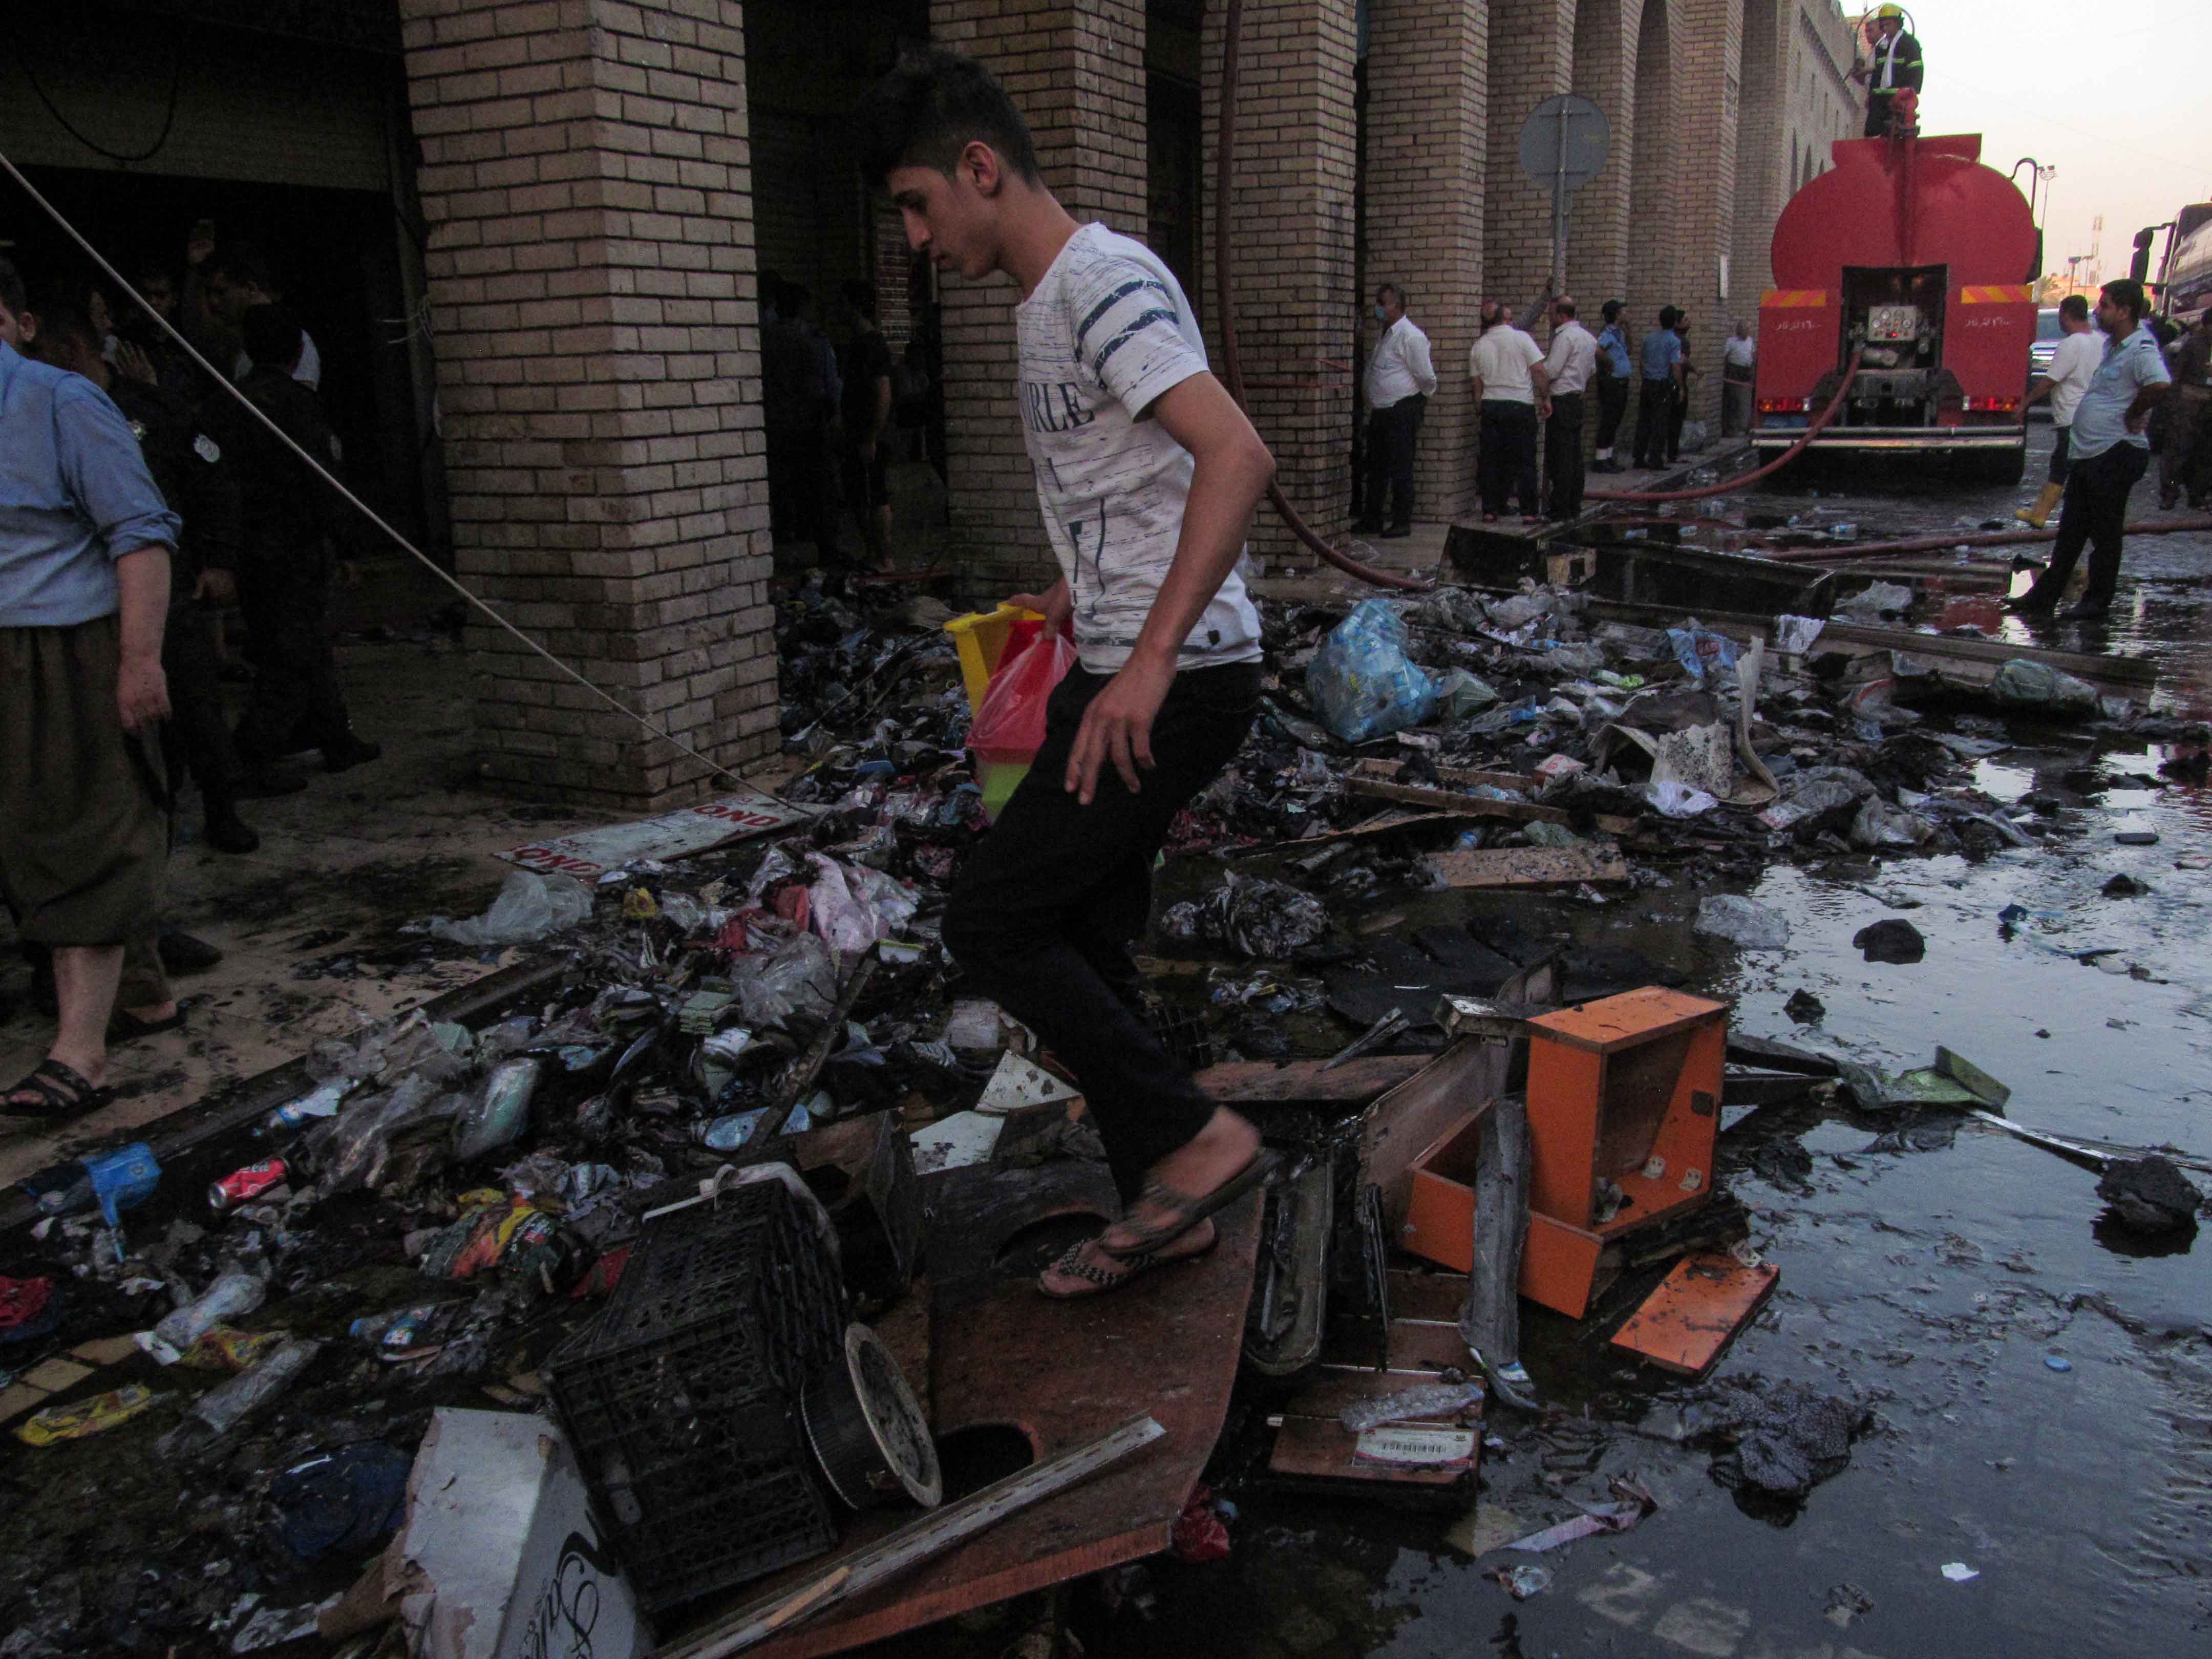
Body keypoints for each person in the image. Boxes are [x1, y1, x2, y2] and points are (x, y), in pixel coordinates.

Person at [858, 47, 1278, 1299]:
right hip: (1130, 655)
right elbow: (1140, 480)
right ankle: (1170, 1193)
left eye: (918, 204)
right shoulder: (1050, 299)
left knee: (992, 916)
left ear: (980, 168)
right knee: (1084, 926)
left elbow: (1237, 456)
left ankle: (1199, 1141)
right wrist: (1072, 591)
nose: (917, 238)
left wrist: (1145, 658)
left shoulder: (1097, 281)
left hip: (1172, 680)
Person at [0, 257, 181, 1120]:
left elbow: (139, 534)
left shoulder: (60, 401)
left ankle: (82, 1055)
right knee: (31, 832)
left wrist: (139, 661)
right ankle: (145, 997)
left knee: (84, 830)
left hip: (64, 645)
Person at [29, 294, 269, 857]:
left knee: (196, 707)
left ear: (69, 349)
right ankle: (148, 830)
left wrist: (219, 559)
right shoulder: (44, 417)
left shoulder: (151, 408)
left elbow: (212, 482)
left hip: (169, 588)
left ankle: (221, 810)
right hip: (93, 598)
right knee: (120, 729)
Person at [225, 305, 380, 771]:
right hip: (290, 546)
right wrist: (346, 546)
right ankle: (252, 751)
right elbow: (323, 481)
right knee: (292, 653)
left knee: (300, 645)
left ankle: (332, 735)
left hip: (249, 547)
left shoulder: (228, 403)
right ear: (296, 353)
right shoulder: (294, 405)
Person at [2006, 279, 2170, 621]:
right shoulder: (2114, 345)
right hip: (2090, 453)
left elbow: (2159, 384)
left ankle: (2097, 602)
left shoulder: (2140, 347)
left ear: (2124, 312)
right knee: (2072, 531)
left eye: (2105, 305)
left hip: (2114, 452)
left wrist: (2135, 413)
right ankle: (2044, 597)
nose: (2098, 311)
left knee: (2105, 533)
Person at [1354, 281, 1437, 539]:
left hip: (1401, 409)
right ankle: (1372, 518)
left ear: (1397, 305)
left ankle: (1402, 521)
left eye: (1383, 303)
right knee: (1376, 467)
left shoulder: (1410, 336)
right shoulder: (1386, 334)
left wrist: (1416, 401)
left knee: (1401, 466)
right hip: (1382, 411)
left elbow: (1426, 377)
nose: (1378, 308)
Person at [193, 240, 322, 390]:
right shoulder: (238, 335)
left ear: (250, 288)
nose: (213, 301)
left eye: (221, 292)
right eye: (209, 293)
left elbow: (297, 399)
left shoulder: (294, 339)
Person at [2017, 294, 2099, 527]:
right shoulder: (2101, 341)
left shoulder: (2071, 344)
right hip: (2093, 415)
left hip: (2071, 416)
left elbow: (2049, 381)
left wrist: (2025, 403)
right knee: (2074, 465)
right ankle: (2042, 512)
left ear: (2065, 316)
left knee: (2061, 465)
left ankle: (2041, 515)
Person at [1469, 299, 1549, 523]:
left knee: (1491, 460)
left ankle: (1490, 509)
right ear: (1504, 318)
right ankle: (1529, 512)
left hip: (1491, 406)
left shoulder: (1479, 346)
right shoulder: (1521, 338)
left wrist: (1480, 410)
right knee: (1525, 461)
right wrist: (1546, 399)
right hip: (1520, 406)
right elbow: (1539, 371)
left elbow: (1477, 386)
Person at [839, 279, 898, 571]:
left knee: (875, 493)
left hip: (870, 435)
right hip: (861, 433)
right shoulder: (861, 344)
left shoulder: (871, 345)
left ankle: (885, 558)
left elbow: (883, 393)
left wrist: (872, 436)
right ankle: (875, 554)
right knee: (861, 494)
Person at [1542, 295, 1597, 519]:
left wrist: (1537, 374)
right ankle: (1574, 503)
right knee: (1575, 455)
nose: (1550, 319)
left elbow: (1552, 370)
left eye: (1552, 314)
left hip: (1561, 400)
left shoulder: (1564, 338)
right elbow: (1592, 369)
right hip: (1576, 399)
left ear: (1562, 315)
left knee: (1561, 456)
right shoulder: (1588, 338)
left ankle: (1560, 507)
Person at [2158, 314, 2210, 511]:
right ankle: (2170, 493)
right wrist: (2172, 404)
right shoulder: (2193, 345)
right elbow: (2177, 376)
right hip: (2188, 404)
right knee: (2178, 451)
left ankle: (2197, 494)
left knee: (2204, 453)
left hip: (2208, 405)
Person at [1848, 5, 1924, 138]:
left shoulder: (1909, 44)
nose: (1886, 29)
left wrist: (1911, 94)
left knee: (1895, 137)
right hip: (1878, 100)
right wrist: (1871, 94)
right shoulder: (1881, 47)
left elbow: (1916, 70)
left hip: (1898, 100)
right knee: (1872, 134)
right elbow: (1879, 72)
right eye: (1883, 26)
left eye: (1889, 24)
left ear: (1898, 23)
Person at [1634, 306, 1685, 470]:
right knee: (1660, 422)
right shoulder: (1674, 342)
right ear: (1675, 322)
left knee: (1644, 421)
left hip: (1647, 383)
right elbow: (1676, 367)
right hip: (1662, 385)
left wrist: (1645, 377)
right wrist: (1680, 387)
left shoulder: (1648, 339)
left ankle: (1639, 457)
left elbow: (1641, 361)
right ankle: (1655, 459)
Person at [1592, 299, 1631, 472]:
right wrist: (1609, 363)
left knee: (1615, 420)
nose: (1627, 315)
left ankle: (1609, 457)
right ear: (1617, 315)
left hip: (1621, 382)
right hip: (1612, 382)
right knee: (1609, 420)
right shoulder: (1608, 333)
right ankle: (1601, 460)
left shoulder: (1619, 333)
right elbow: (1598, 349)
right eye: (1624, 312)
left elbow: (1629, 349)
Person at [1667, 310, 1700, 464]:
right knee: (1676, 420)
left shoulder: (1667, 338)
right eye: (1686, 319)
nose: (1689, 322)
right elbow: (1682, 361)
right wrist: (1695, 371)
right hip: (1676, 384)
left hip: (1663, 383)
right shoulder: (1681, 342)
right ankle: (1672, 454)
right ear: (1677, 323)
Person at [1721, 320, 1756, 436]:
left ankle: (1743, 428)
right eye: (1743, 329)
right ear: (1738, 330)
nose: (1745, 332)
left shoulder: (1750, 341)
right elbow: (1724, 357)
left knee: (1744, 402)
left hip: (1746, 373)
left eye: (1747, 329)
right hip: (1733, 373)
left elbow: (1753, 357)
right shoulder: (1731, 342)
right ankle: (1731, 429)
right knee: (1732, 402)